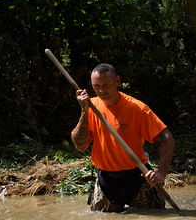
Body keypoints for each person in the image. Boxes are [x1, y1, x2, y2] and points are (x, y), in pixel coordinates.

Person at [71, 63, 175, 212]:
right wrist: (83, 111)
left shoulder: (137, 108)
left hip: (137, 176)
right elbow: (80, 146)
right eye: (96, 86)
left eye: (106, 85)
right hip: (105, 179)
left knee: (155, 214)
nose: (101, 90)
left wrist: (161, 173)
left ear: (117, 81)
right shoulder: (91, 107)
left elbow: (167, 138)